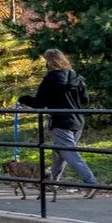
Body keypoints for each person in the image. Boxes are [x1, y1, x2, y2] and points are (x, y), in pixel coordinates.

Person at [18, 48, 99, 198]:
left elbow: (39, 103)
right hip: (77, 120)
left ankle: (91, 182)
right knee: (59, 154)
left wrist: (23, 99)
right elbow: (85, 100)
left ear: (49, 62)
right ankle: (52, 184)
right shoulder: (76, 76)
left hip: (60, 122)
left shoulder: (50, 79)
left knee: (69, 153)